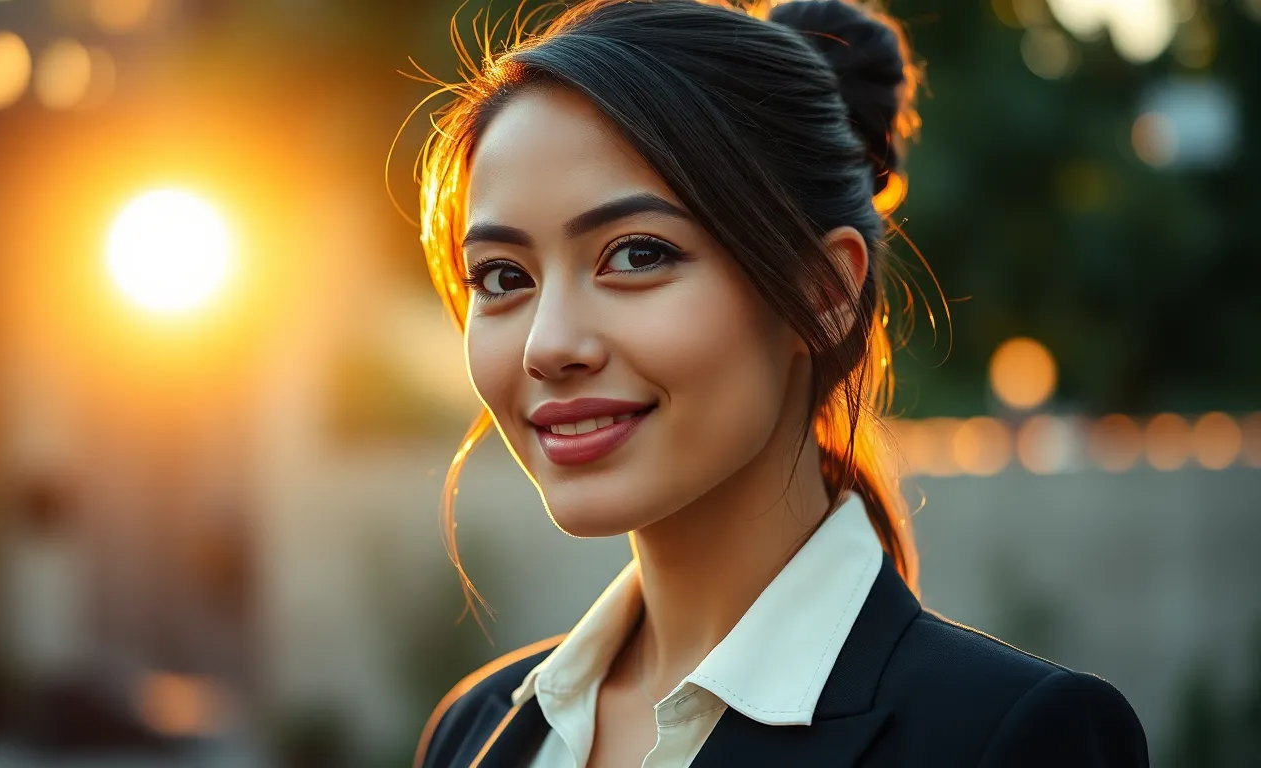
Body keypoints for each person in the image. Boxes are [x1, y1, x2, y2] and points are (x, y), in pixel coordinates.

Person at [408, 0, 1149, 765]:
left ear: (825, 293)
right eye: (502, 276)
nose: (547, 346)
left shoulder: (1011, 737)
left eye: (636, 255)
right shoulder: (472, 730)